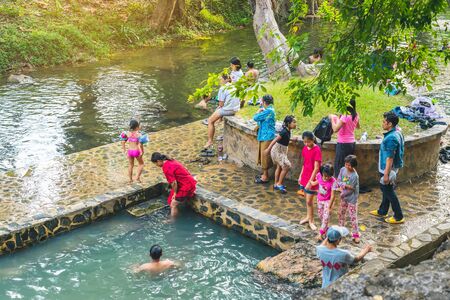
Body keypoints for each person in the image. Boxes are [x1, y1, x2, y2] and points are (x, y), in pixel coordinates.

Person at [370, 112, 405, 224]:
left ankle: (398, 216)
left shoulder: (391, 138)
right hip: (390, 168)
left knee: (389, 192)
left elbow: (390, 158)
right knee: (386, 191)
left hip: (388, 169)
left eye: (384, 121)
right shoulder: (397, 131)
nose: (382, 123)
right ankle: (382, 211)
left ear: (390, 124)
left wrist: (386, 174)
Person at [151, 152, 197, 218]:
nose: (156, 165)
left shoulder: (166, 167)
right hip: (184, 182)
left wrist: (175, 193)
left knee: (173, 204)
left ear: (158, 161)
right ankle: (177, 211)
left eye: (155, 163)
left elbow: (174, 183)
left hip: (186, 185)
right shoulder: (170, 160)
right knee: (170, 200)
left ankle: (172, 220)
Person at [204, 74, 240, 148]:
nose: (219, 81)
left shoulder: (222, 88)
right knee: (219, 110)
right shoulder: (234, 85)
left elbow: (221, 104)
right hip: (236, 108)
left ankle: (210, 141)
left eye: (220, 79)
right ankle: (220, 120)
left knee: (210, 121)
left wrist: (217, 107)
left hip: (229, 110)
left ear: (225, 79)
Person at [265, 115, 297, 193]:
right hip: (277, 151)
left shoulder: (288, 131)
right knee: (286, 166)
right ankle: (279, 184)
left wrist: (292, 140)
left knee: (279, 167)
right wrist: (268, 149)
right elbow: (275, 140)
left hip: (282, 150)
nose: (295, 124)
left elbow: (285, 140)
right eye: (294, 122)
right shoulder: (284, 131)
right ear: (288, 123)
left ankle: (276, 184)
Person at [329, 98, 360, 177]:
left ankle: (339, 185)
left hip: (343, 144)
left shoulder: (345, 116)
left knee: (339, 165)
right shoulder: (356, 115)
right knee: (348, 165)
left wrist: (332, 119)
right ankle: (346, 184)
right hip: (351, 143)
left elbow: (335, 129)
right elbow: (358, 126)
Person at [299, 131, 322, 230]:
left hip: (312, 178)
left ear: (313, 140)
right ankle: (308, 217)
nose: (306, 144)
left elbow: (316, 168)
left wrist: (310, 181)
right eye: (304, 142)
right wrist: (300, 176)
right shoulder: (305, 148)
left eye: (308, 141)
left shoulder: (317, 150)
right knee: (306, 199)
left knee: (309, 200)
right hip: (305, 176)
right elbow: (305, 163)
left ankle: (311, 221)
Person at [336, 155, 361, 243]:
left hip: (352, 199)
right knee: (341, 213)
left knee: (353, 217)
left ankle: (356, 234)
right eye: (346, 164)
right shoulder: (343, 170)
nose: (347, 166)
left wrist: (343, 190)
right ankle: (340, 230)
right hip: (344, 196)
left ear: (353, 165)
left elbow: (351, 189)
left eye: (349, 165)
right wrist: (345, 186)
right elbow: (339, 180)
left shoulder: (355, 176)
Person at [253, 95, 276, 184]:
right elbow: (260, 121)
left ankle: (265, 177)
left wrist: (258, 111)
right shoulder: (268, 110)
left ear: (264, 102)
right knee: (263, 156)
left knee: (265, 156)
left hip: (267, 136)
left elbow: (255, 118)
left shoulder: (269, 111)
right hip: (264, 136)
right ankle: (264, 174)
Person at [310, 164, 336, 241]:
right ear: (322, 173)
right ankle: (326, 229)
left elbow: (333, 196)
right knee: (321, 216)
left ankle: (320, 234)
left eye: (329, 176)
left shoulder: (333, 181)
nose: (326, 178)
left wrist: (329, 207)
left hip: (328, 201)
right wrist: (313, 183)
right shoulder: (319, 175)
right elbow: (318, 181)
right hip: (320, 200)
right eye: (325, 176)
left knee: (326, 217)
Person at [120, 119, 148, 184]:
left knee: (130, 165)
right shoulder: (139, 135)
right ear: (137, 127)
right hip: (136, 151)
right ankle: (137, 177)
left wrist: (124, 150)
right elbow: (140, 144)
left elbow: (123, 142)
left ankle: (130, 180)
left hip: (130, 151)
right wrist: (142, 152)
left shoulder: (127, 134)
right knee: (141, 164)